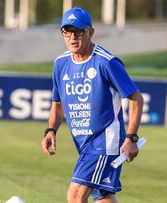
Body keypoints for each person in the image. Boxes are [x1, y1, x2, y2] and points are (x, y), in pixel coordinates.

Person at [41, 7, 144, 203]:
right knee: (104, 197)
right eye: (67, 31)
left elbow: (136, 98)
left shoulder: (106, 62)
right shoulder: (60, 64)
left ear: (90, 32)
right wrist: (50, 130)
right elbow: (57, 103)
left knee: (75, 195)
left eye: (79, 31)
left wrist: (131, 137)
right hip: (84, 144)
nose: (73, 37)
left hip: (105, 142)